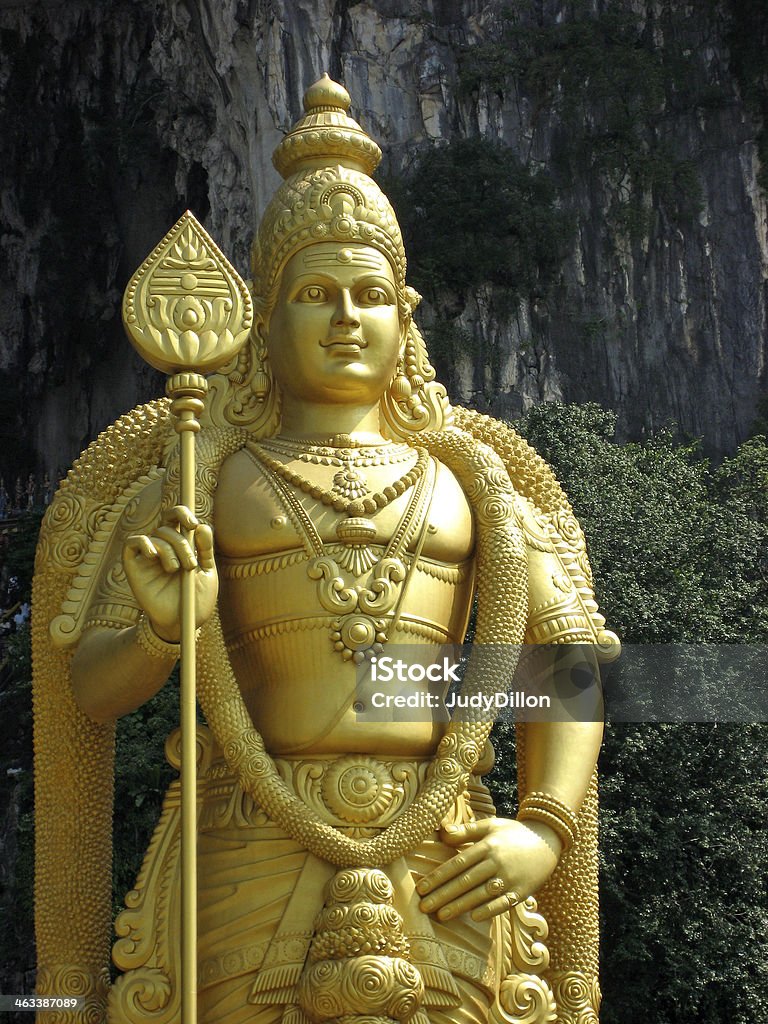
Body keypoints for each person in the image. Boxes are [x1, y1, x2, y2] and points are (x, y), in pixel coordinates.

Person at [33, 77, 616, 1024]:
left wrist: (544, 828)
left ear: (404, 318)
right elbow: (87, 692)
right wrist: (159, 633)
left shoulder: (474, 481)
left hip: (446, 851)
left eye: (370, 295)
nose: (347, 317)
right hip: (246, 847)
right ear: (266, 320)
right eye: (315, 293)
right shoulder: (198, 477)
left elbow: (567, 668)